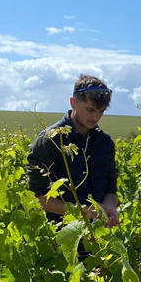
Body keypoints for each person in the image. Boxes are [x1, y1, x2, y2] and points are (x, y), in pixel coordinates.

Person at [27, 74, 119, 228]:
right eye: (90, 109)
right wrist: (82, 211)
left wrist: (110, 206)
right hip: (61, 235)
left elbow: (111, 189)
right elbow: (38, 197)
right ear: (73, 103)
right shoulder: (50, 141)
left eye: (101, 111)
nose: (95, 117)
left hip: (99, 235)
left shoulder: (105, 142)